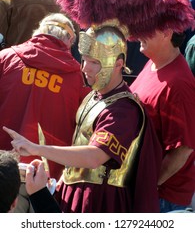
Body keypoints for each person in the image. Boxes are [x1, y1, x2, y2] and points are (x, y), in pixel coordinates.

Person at [3, 21, 162, 213]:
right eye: (84, 59)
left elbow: (95, 157)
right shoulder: (93, 95)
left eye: (94, 62)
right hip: (74, 191)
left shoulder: (123, 110)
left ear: (118, 64)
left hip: (101, 201)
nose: (85, 68)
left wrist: (36, 148)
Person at [0, 12, 90, 212]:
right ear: (69, 41)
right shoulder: (78, 75)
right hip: (46, 176)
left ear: (38, 32)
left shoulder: (6, 57)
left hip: (4, 171)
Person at [130, 22, 195, 211]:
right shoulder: (154, 62)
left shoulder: (179, 85)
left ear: (167, 33)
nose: (138, 32)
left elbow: (182, 150)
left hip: (162, 200)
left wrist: (146, 187)